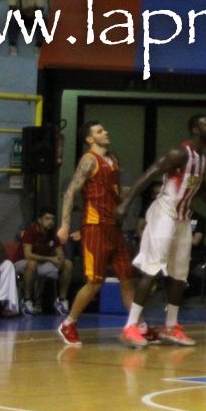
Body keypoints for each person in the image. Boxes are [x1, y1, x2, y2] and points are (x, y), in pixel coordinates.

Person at [118, 115, 206, 348]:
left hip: (183, 218)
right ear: (195, 130)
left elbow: (200, 188)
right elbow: (148, 175)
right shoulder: (179, 152)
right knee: (153, 269)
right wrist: (125, 204)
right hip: (164, 215)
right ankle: (130, 327)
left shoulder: (204, 155)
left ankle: (170, 327)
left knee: (179, 274)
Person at [55, 122, 134, 346]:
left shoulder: (113, 159)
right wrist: (65, 226)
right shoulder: (89, 160)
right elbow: (70, 193)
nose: (105, 132)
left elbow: (114, 191)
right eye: (99, 131)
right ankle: (69, 323)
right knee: (95, 282)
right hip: (95, 225)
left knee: (127, 277)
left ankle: (137, 325)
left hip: (114, 226)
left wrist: (126, 198)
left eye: (104, 129)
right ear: (90, 139)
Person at [16, 211, 70, 315]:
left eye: (52, 219)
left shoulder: (53, 233)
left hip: (42, 264)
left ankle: (61, 301)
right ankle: (26, 301)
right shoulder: (30, 230)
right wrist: (51, 259)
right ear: (40, 220)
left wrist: (60, 259)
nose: (50, 222)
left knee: (68, 264)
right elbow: (28, 255)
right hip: (22, 263)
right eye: (47, 219)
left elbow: (60, 254)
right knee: (32, 264)